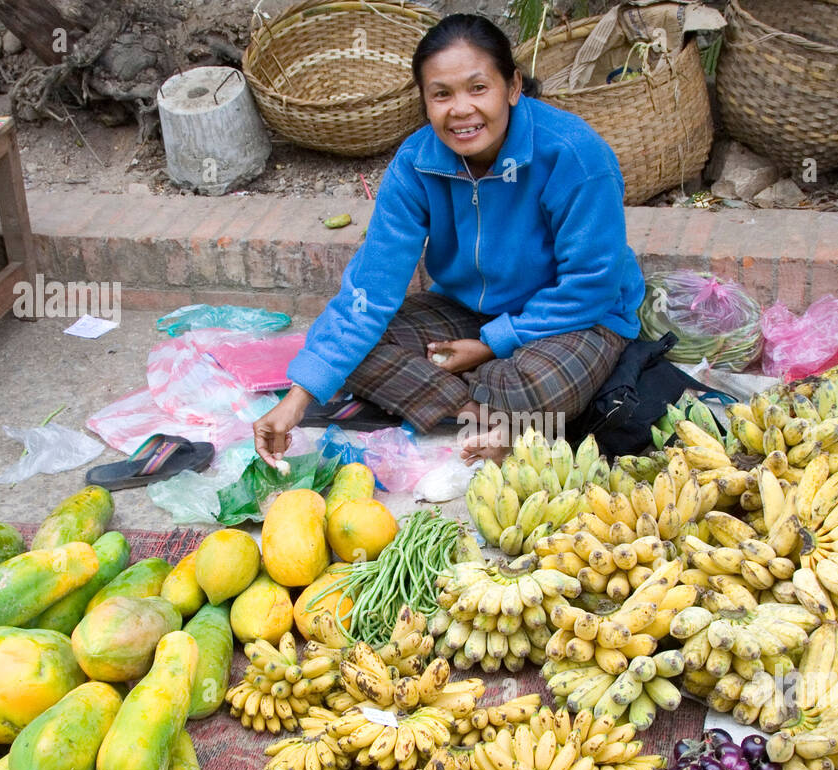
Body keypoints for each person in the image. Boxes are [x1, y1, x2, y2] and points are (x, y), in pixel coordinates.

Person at [252, 13, 646, 467]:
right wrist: (297, 400)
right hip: (467, 309)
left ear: (513, 87)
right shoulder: (415, 165)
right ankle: (484, 415)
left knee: (534, 384)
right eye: (441, 94)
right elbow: (369, 290)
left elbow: (591, 286)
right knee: (346, 353)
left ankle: (492, 403)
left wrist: (493, 343)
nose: (460, 110)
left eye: (478, 88)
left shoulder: (573, 154)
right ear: (424, 101)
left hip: (574, 318)